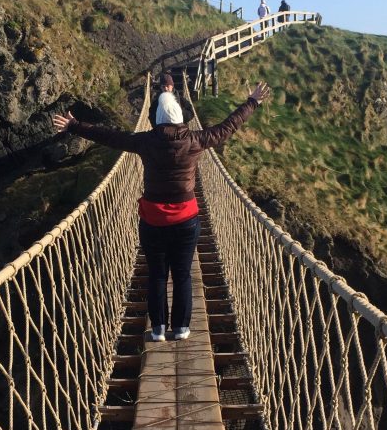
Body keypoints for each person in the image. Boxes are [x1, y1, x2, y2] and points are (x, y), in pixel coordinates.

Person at [52, 81, 271, 341]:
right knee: (182, 274)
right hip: (186, 219)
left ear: (155, 118)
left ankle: (157, 330)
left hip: (153, 219)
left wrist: (75, 126)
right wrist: (252, 103)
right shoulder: (195, 140)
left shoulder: (145, 141)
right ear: (180, 117)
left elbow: (110, 136)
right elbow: (227, 127)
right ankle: (181, 328)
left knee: (156, 274)